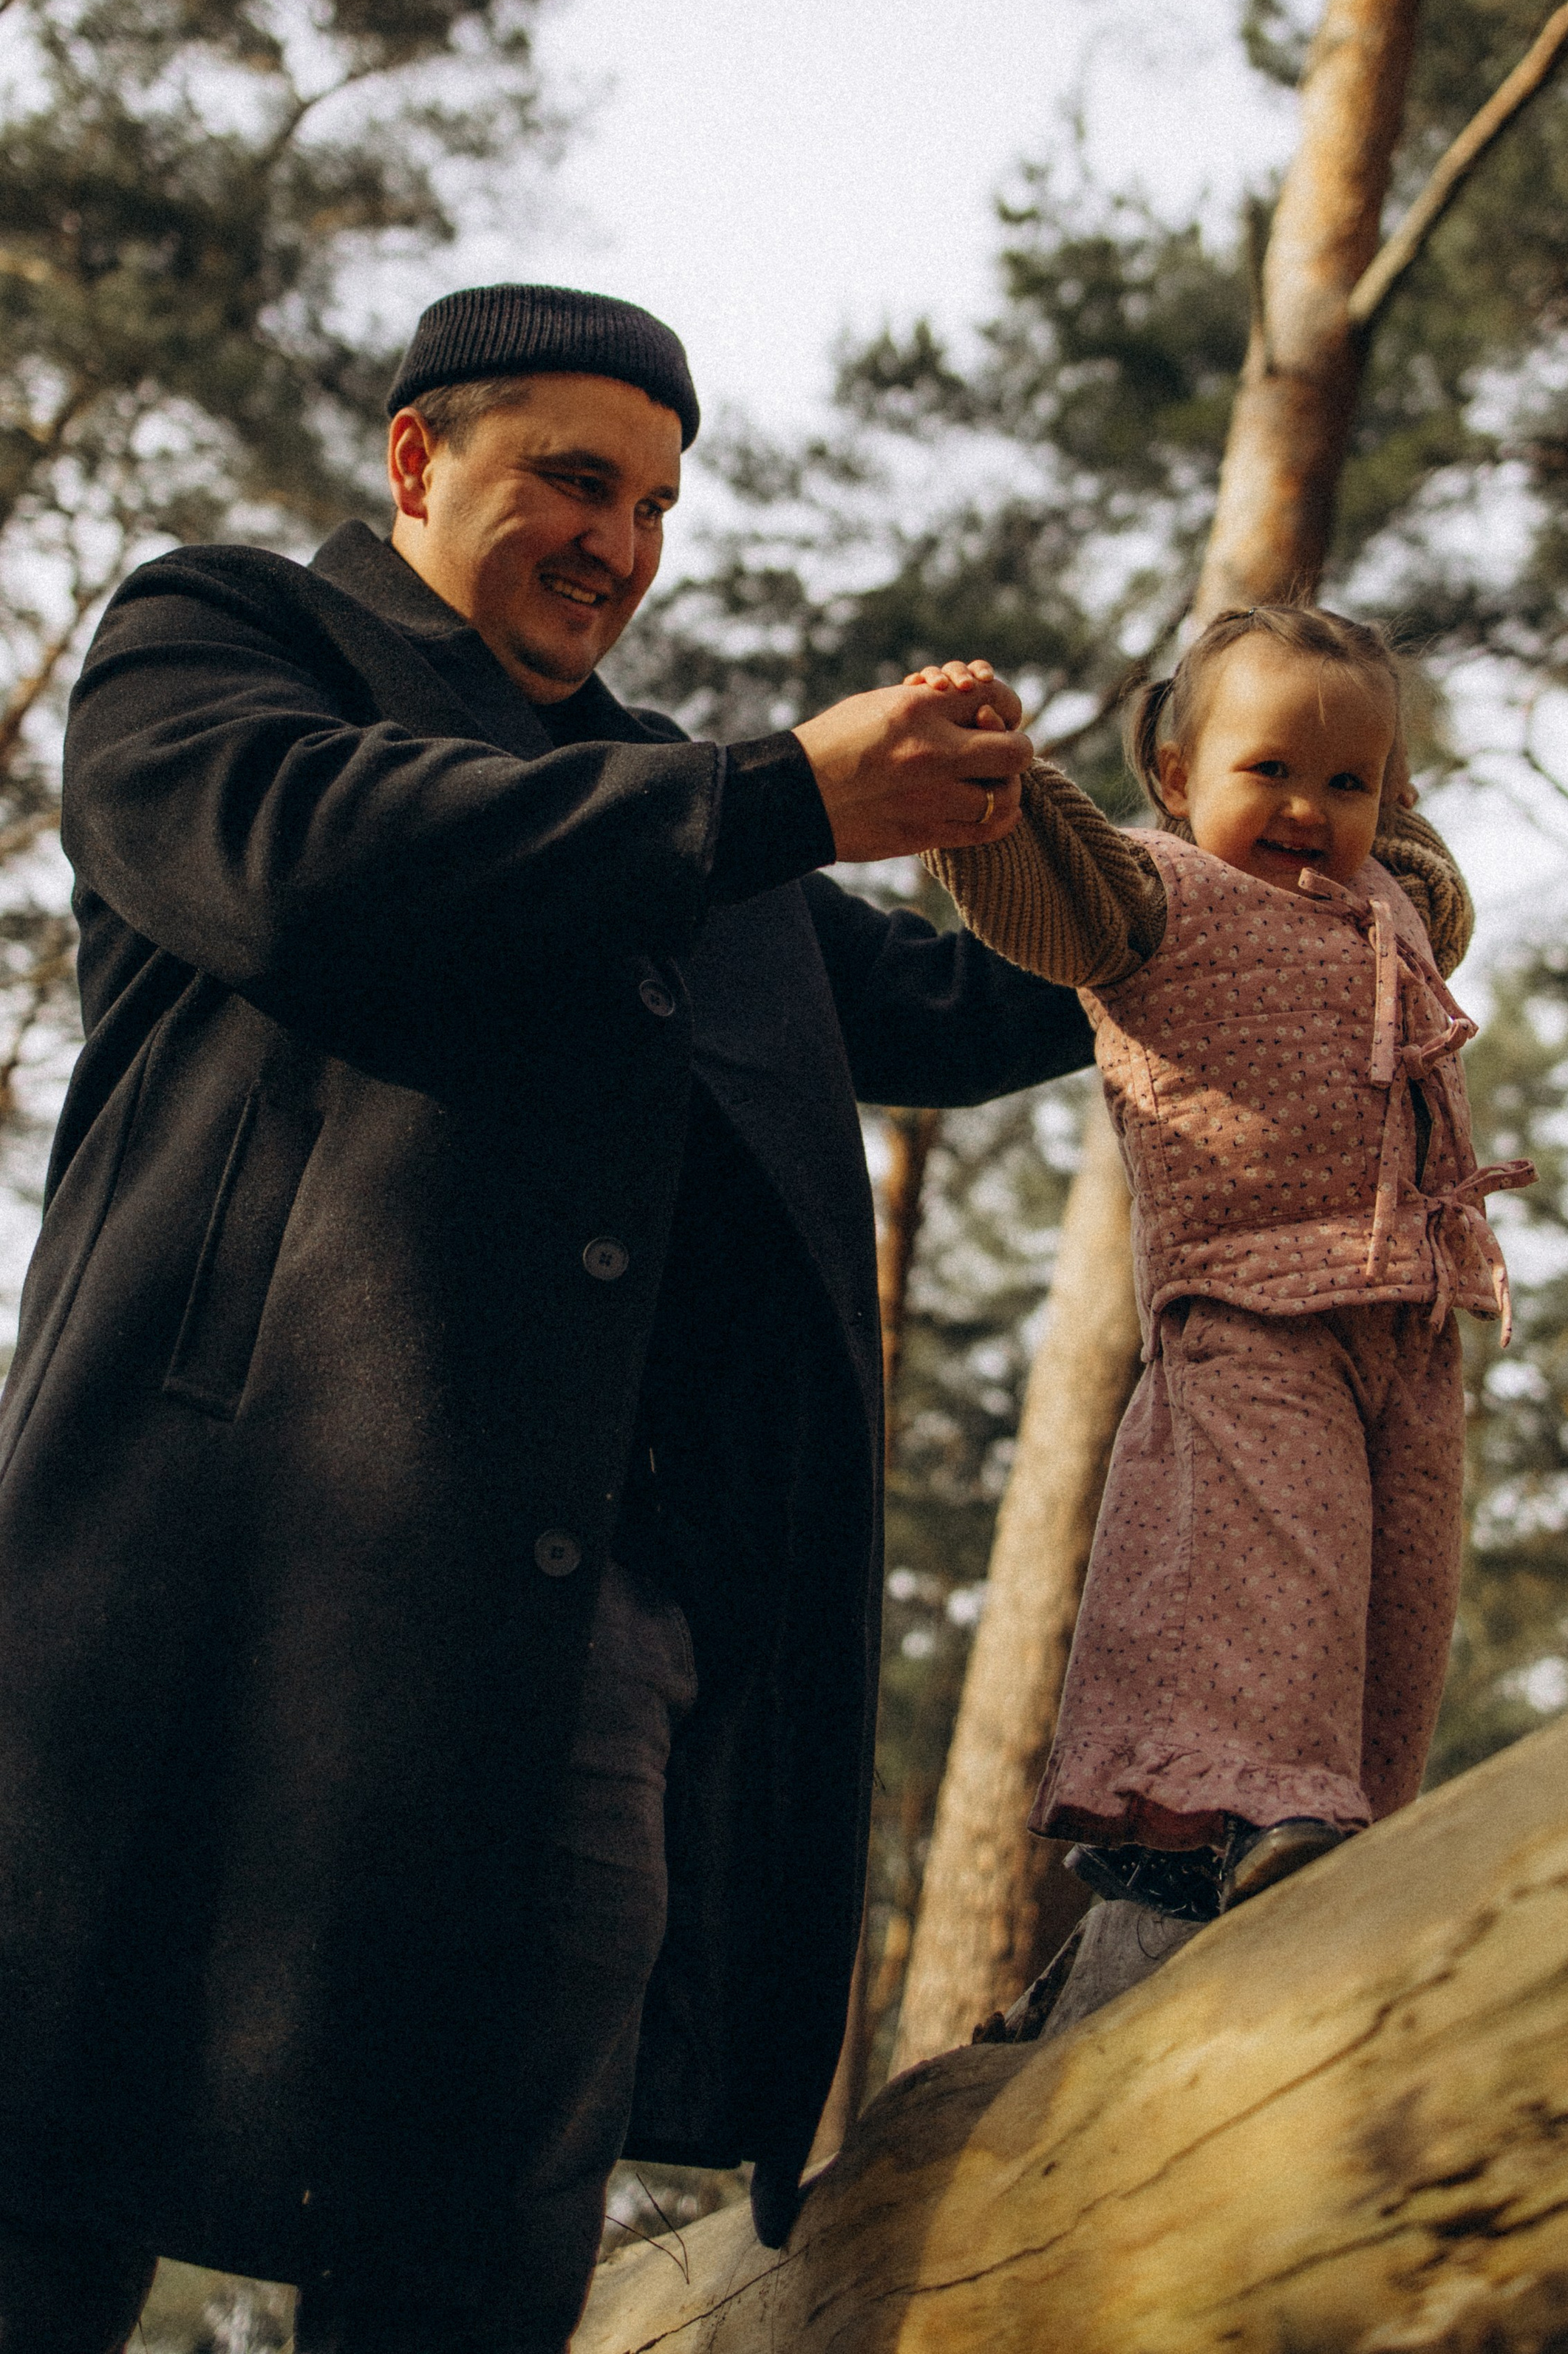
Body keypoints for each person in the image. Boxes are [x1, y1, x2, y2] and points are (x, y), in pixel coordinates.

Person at [0, 283, 1094, 2354]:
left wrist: (1225, 889)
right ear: (419, 462)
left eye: (659, 504)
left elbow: (951, 1010)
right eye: (573, 480)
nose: (621, 542)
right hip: (195, 1605)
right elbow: (298, 862)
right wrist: (776, 795)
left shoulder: (684, 806)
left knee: (469, 2259)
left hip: (584, 1655)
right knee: (44, 2179)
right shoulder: (217, 643)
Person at [917, 606, 1532, 1931]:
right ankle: (1255, 1805)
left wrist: (1385, 785)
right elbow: (1039, 889)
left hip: (1410, 1321)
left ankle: (1334, 1825)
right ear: (1182, 776)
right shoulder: (1150, 896)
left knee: (1396, 1597)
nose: (1311, 809)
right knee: (1274, 1561)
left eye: (1348, 781)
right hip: (1249, 1305)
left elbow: (1436, 873)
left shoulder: (1399, 904)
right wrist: (993, 774)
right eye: (1270, 771)